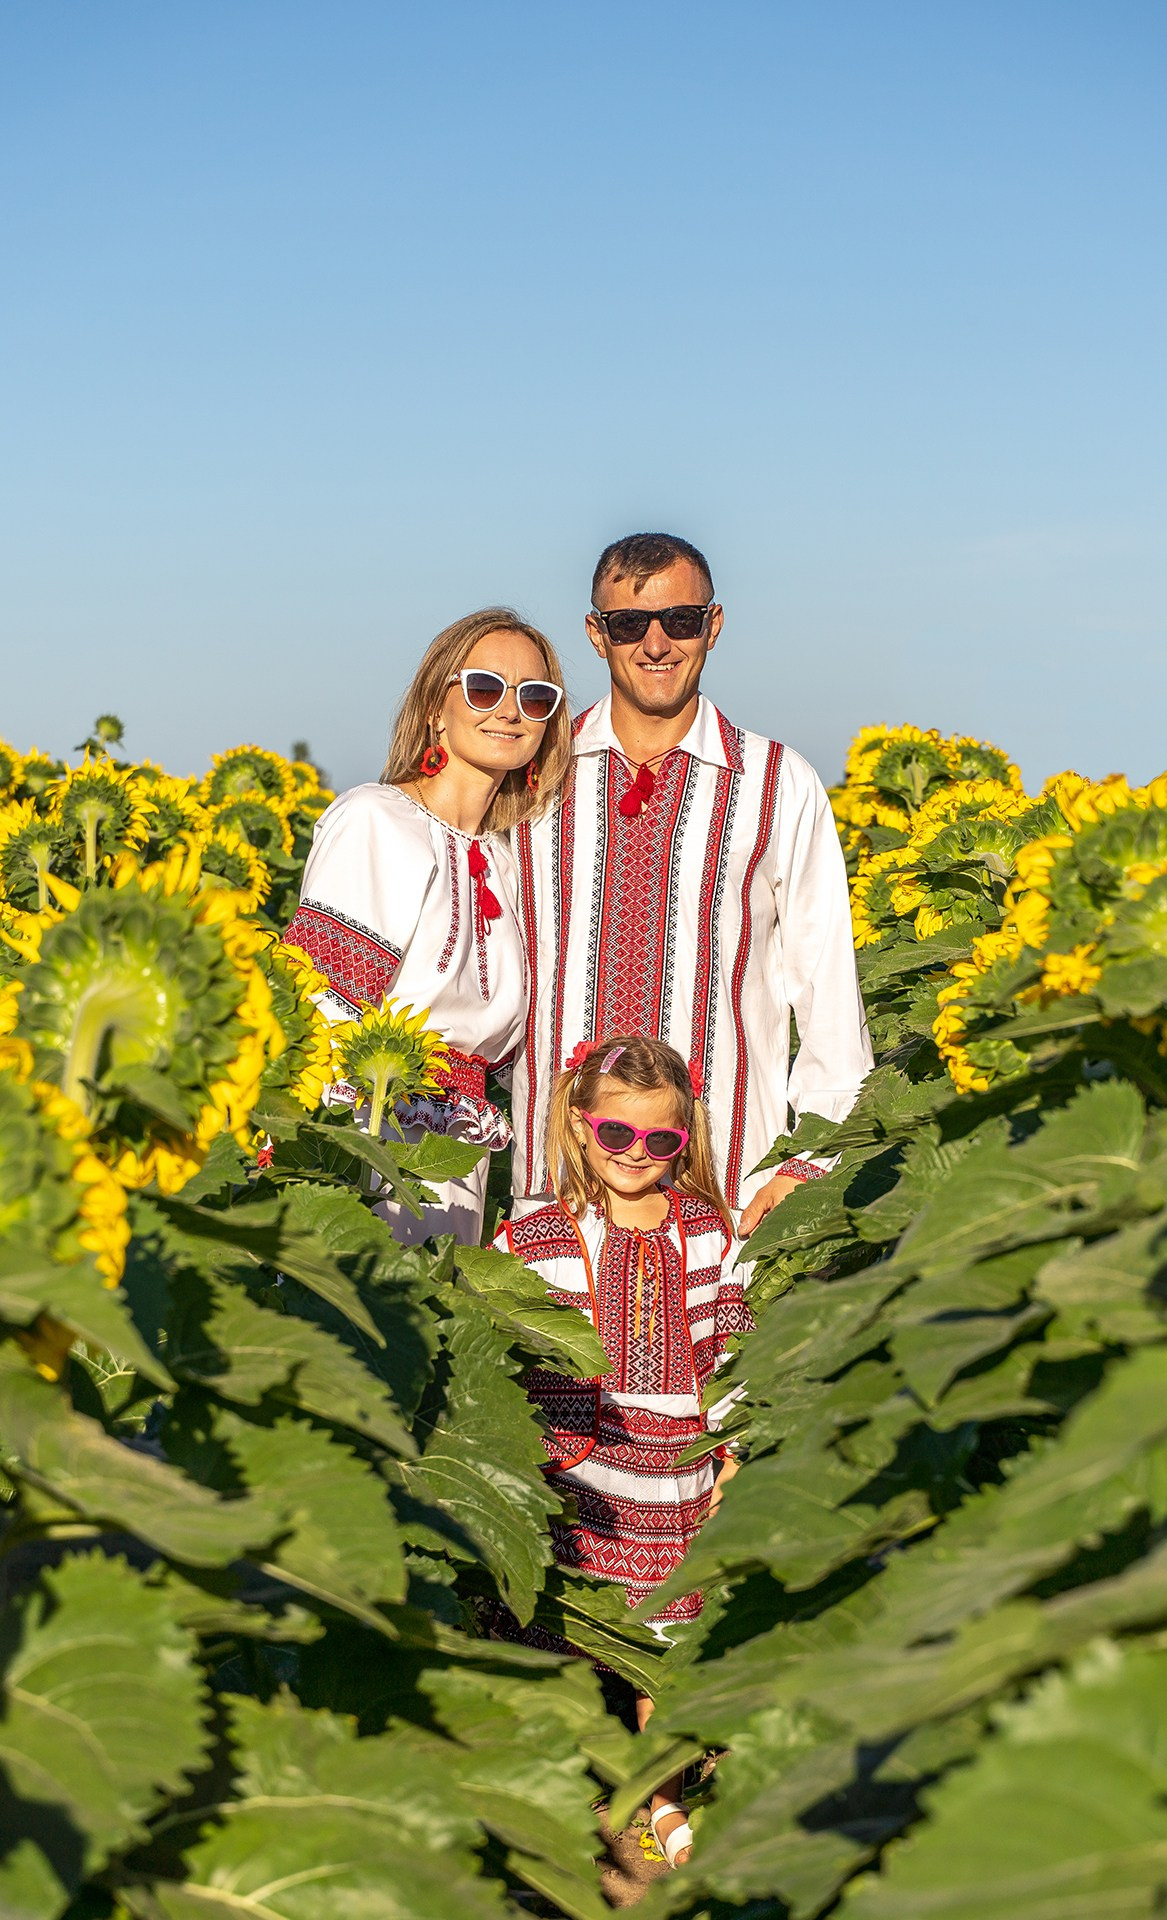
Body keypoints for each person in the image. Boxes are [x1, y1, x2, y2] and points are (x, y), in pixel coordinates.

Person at [509, 532, 873, 1234]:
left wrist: (809, 1162)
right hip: (557, 1190)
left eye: (680, 620)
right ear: (596, 633)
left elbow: (827, 990)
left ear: (713, 626)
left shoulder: (775, 784)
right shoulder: (534, 781)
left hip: (728, 1192)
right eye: (628, 624)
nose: (656, 644)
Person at [494, 1034, 752, 1869]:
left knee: (660, 1650)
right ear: (578, 1124)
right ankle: (542, 1787)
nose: (636, 1155)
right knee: (562, 1637)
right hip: (576, 1473)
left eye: (661, 1141)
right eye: (616, 1135)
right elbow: (502, 1353)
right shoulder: (534, 1236)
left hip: (674, 1471)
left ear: (686, 1140)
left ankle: (662, 1796)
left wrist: (733, 1454)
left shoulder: (708, 1235)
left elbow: (731, 1351)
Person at [283, 608, 571, 1243]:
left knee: (437, 1325)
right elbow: (317, 1004)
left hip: (461, 1148)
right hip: (369, 1133)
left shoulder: (509, 856)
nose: (511, 710)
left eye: (536, 697)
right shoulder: (376, 820)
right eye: (485, 687)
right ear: (436, 705)